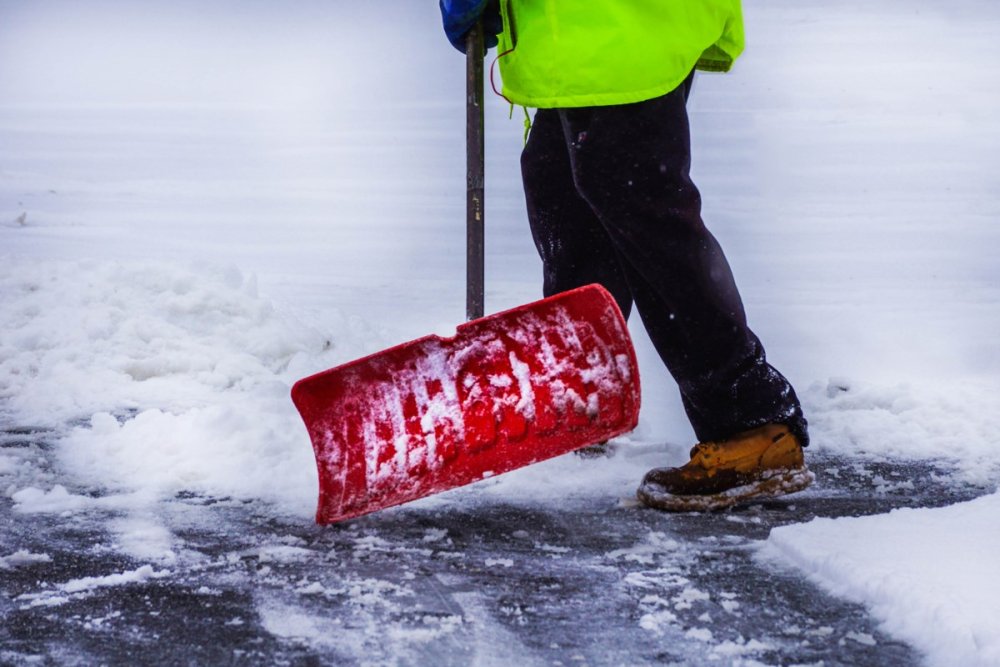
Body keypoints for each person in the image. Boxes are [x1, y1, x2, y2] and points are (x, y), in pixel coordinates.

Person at [440, 0, 812, 511]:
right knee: (566, 197)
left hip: (621, 27)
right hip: (583, 34)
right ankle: (582, 393)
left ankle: (752, 423)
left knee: (642, 209)